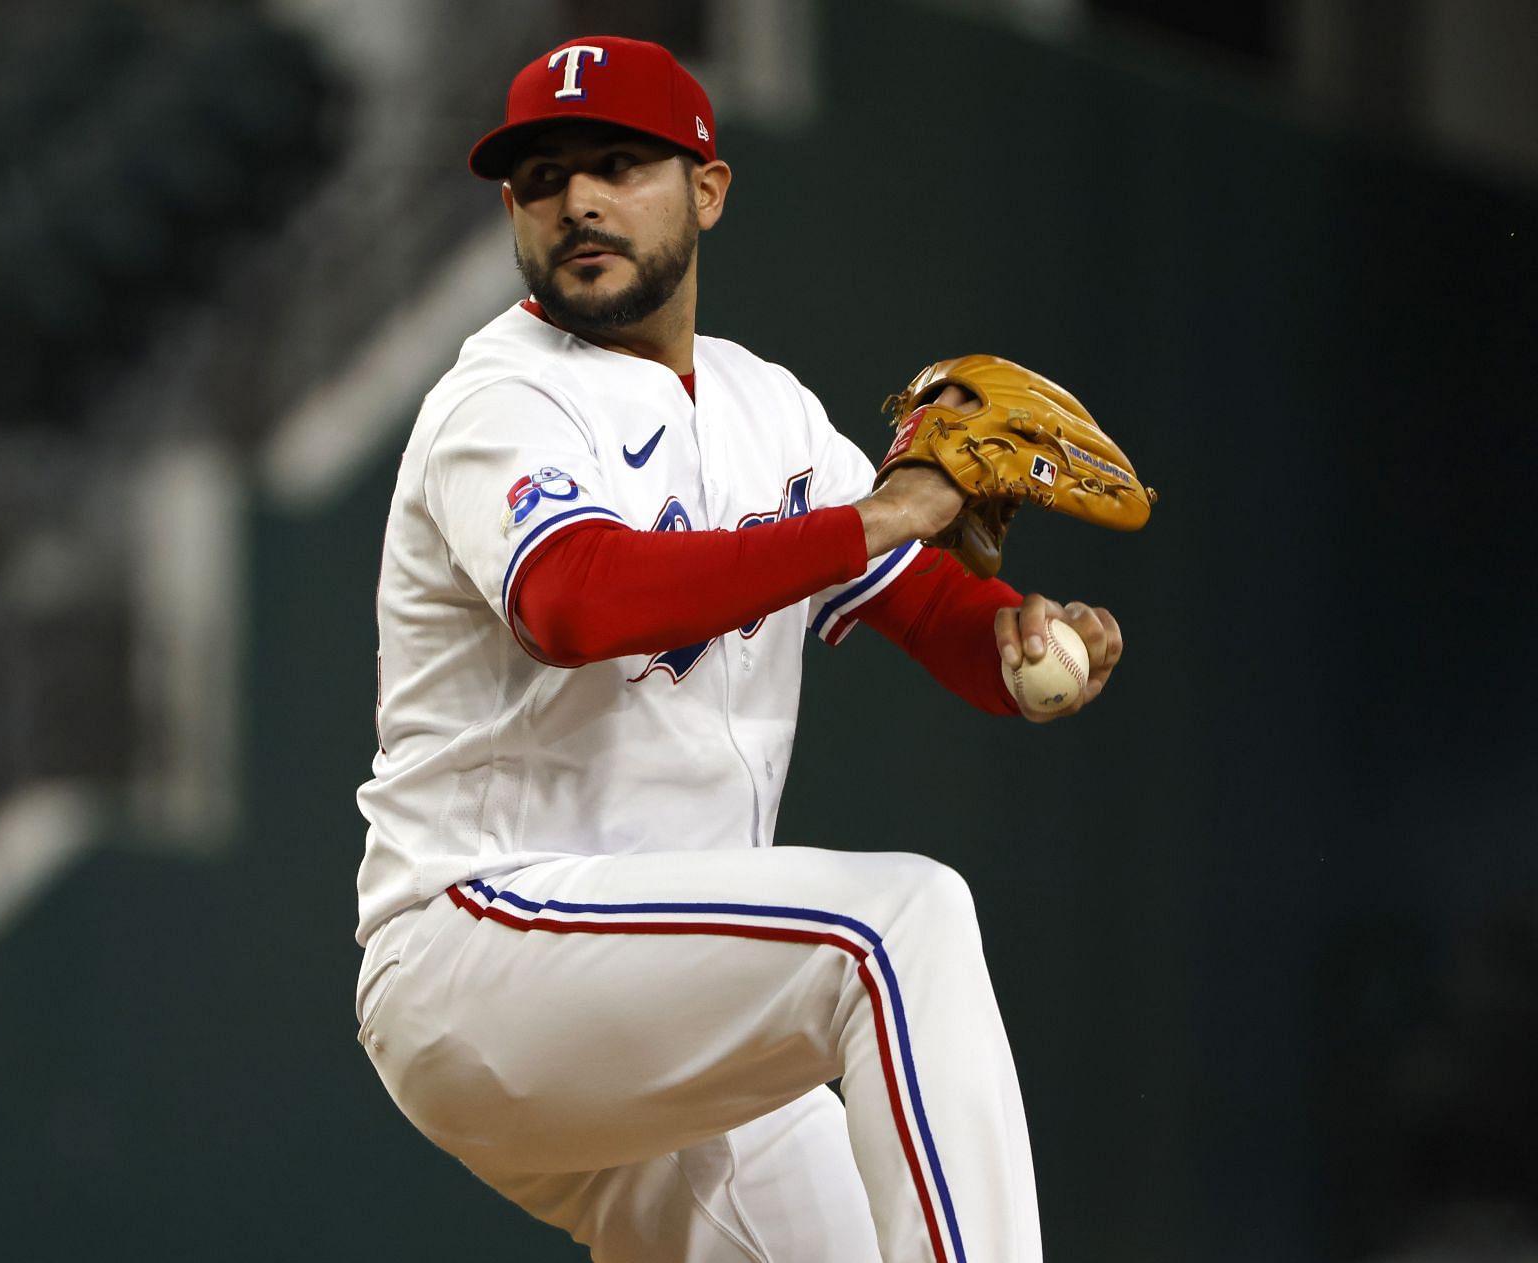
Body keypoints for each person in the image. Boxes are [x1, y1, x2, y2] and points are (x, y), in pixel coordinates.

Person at [355, 35, 1122, 1263]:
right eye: (545, 176)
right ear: (511, 208)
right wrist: (879, 513)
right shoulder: (500, 400)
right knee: (894, 929)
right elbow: (573, 603)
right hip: (483, 946)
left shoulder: (767, 408)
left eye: (620, 164)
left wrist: (1024, 639)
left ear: (708, 189)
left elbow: (926, 603)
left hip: (665, 998)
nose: (581, 200)